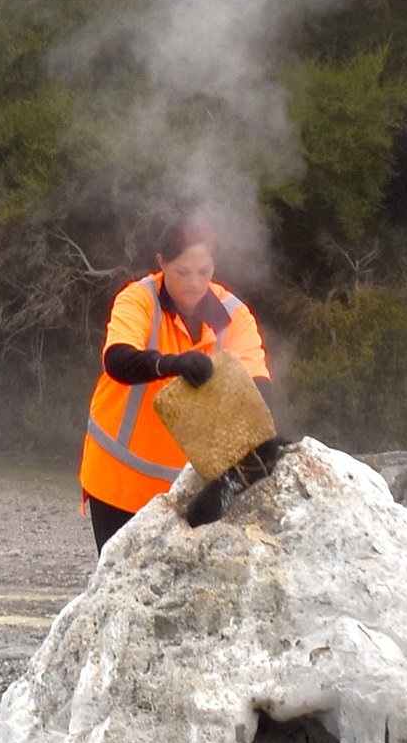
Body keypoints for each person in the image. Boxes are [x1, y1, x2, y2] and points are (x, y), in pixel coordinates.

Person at [79, 220, 273, 550]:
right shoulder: (139, 299)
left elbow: (257, 384)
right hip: (117, 481)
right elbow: (117, 360)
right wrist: (169, 364)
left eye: (204, 271)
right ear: (162, 263)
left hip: (184, 492)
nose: (195, 283)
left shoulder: (234, 315)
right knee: (121, 592)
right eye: (183, 272)